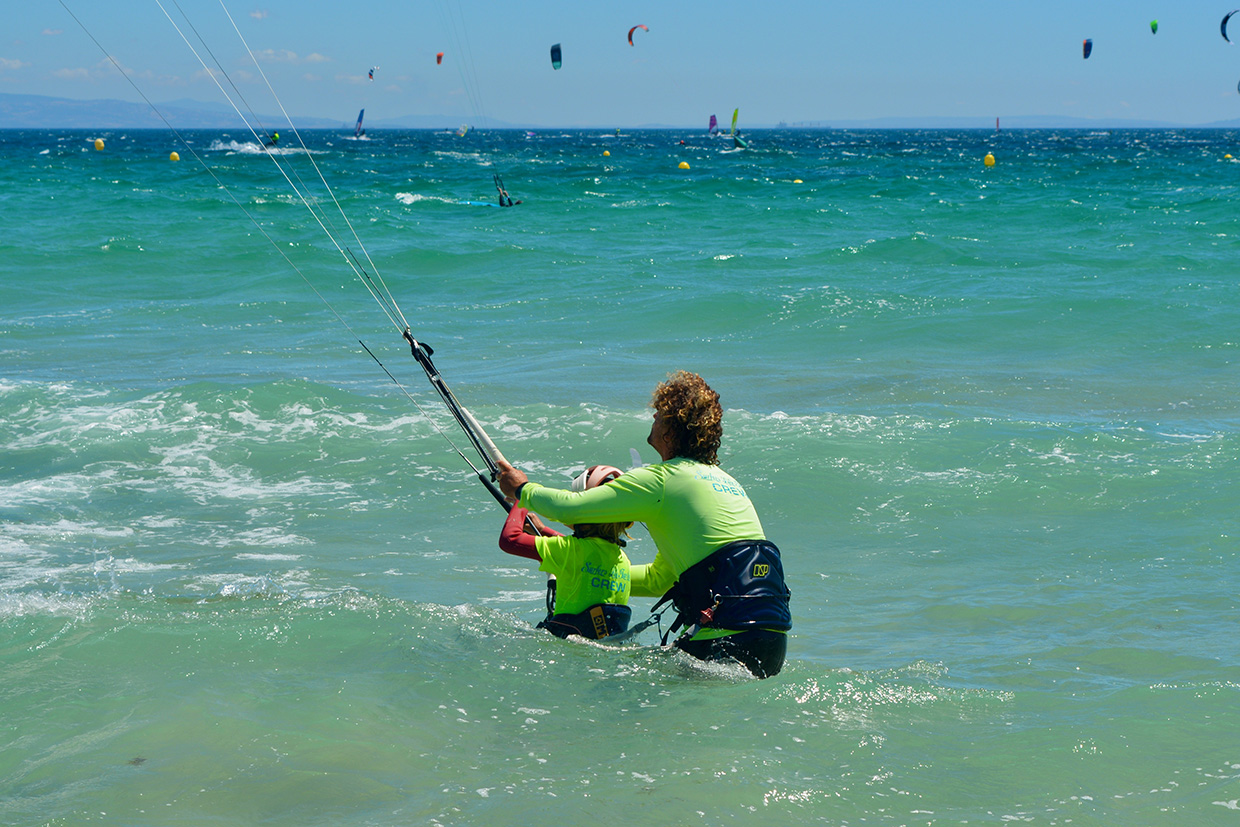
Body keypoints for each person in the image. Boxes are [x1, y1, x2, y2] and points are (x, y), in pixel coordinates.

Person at [498, 371, 791, 678]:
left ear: (672, 430)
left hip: (725, 638)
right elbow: (658, 580)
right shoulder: (729, 483)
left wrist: (521, 489)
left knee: (614, 699)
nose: (653, 415)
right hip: (772, 641)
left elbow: (569, 507)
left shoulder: (662, 481)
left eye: (661, 412)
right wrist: (591, 571)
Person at [499, 464, 633, 639]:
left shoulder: (572, 551)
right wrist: (543, 530)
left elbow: (510, 540)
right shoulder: (622, 559)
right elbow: (582, 556)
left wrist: (520, 497)